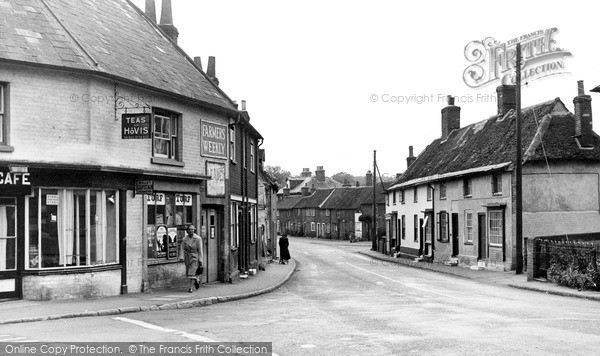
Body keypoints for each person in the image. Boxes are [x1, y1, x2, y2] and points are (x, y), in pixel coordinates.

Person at [180, 224, 203, 293]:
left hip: (195, 257)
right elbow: (182, 248)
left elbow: (200, 250)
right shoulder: (184, 239)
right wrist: (181, 257)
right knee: (189, 273)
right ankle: (197, 279)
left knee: (192, 273)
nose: (191, 231)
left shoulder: (198, 238)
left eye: (192, 229)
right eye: (189, 229)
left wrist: (200, 259)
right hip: (188, 257)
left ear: (194, 230)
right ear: (187, 231)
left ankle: (190, 288)